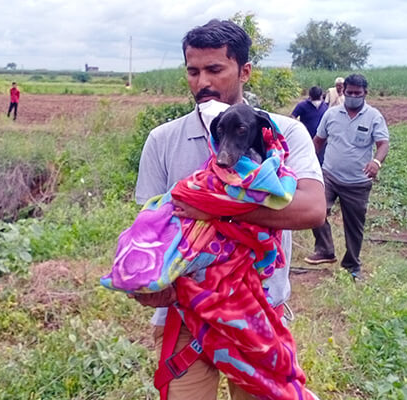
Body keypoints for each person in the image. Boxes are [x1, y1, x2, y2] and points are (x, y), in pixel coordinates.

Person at [132, 19, 325, 400]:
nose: (202, 81)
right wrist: (147, 280)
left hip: (258, 310)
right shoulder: (162, 139)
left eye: (215, 69)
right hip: (185, 313)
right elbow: (149, 227)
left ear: (245, 71)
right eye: (193, 71)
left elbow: (312, 209)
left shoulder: (284, 132)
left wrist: (214, 210)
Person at [305, 74, 390, 281]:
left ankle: (352, 265)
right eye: (349, 92)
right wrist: (306, 161)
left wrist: (376, 162)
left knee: (354, 227)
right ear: (343, 92)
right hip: (329, 175)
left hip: (358, 182)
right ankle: (325, 249)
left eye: (357, 94)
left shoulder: (374, 116)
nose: (352, 96)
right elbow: (318, 141)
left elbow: (383, 144)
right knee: (317, 211)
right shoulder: (331, 114)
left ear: (365, 94)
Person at [291, 86, 328, 163]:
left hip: (321, 139)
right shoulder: (302, 105)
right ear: (310, 97)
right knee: (307, 160)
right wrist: (300, 127)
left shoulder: (325, 106)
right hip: (307, 138)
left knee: (320, 161)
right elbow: (292, 117)